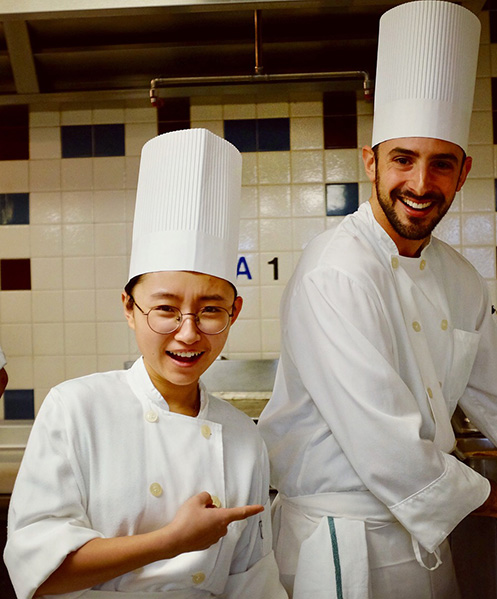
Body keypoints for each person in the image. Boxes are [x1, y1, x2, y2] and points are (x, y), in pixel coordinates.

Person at [257, 2, 497, 598]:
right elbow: (381, 439)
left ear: (462, 172)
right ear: (370, 162)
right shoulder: (336, 271)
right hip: (343, 546)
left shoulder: (458, 276)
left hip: (424, 541)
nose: (420, 184)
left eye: (440, 164)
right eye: (402, 160)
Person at [4, 129, 287, 599]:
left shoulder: (242, 437)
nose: (189, 332)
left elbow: (252, 581)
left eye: (211, 309)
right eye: (166, 309)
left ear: (234, 313)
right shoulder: (76, 408)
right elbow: (38, 574)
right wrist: (172, 542)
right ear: (129, 308)